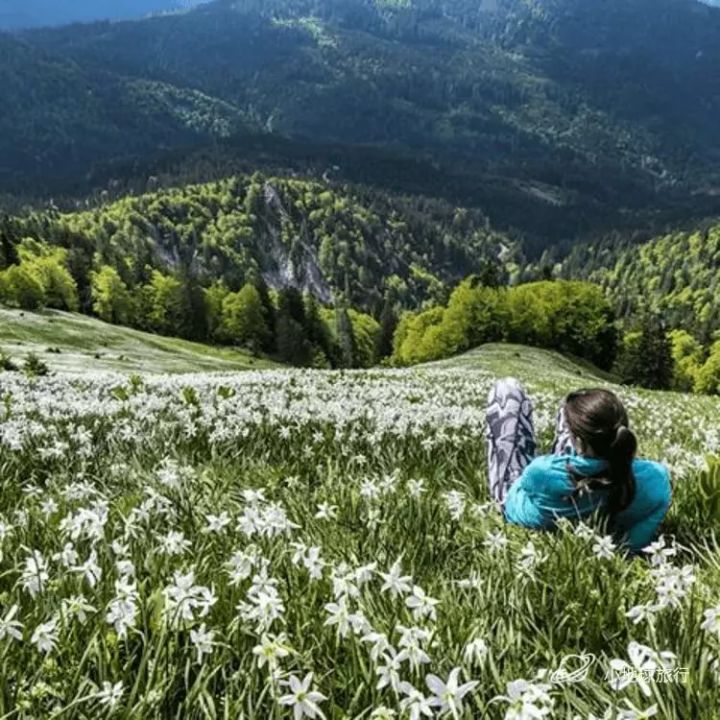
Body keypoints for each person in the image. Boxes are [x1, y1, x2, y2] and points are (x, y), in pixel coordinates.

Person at [485, 378, 671, 553]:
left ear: (579, 442)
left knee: (506, 389)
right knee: (573, 413)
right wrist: (625, 547)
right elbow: (640, 535)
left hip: (521, 504)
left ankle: (573, 434)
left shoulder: (541, 470)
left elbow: (522, 486)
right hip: (599, 528)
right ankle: (583, 439)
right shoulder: (657, 478)